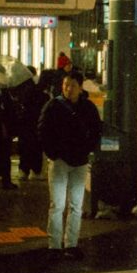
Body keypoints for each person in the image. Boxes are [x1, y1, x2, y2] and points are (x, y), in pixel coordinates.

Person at [39, 71, 102, 260]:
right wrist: (53, 153)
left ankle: (71, 244)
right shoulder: (53, 106)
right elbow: (42, 130)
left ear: (80, 87)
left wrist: (87, 149)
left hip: (80, 161)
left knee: (76, 205)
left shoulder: (88, 107)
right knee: (57, 204)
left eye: (73, 85)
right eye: (66, 85)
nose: (68, 88)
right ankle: (54, 246)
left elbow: (96, 130)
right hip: (59, 161)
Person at [13, 67, 49, 180]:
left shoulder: (20, 89)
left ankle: (23, 170)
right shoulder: (41, 91)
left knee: (25, 148)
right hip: (36, 124)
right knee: (36, 148)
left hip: (25, 124)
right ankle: (35, 171)